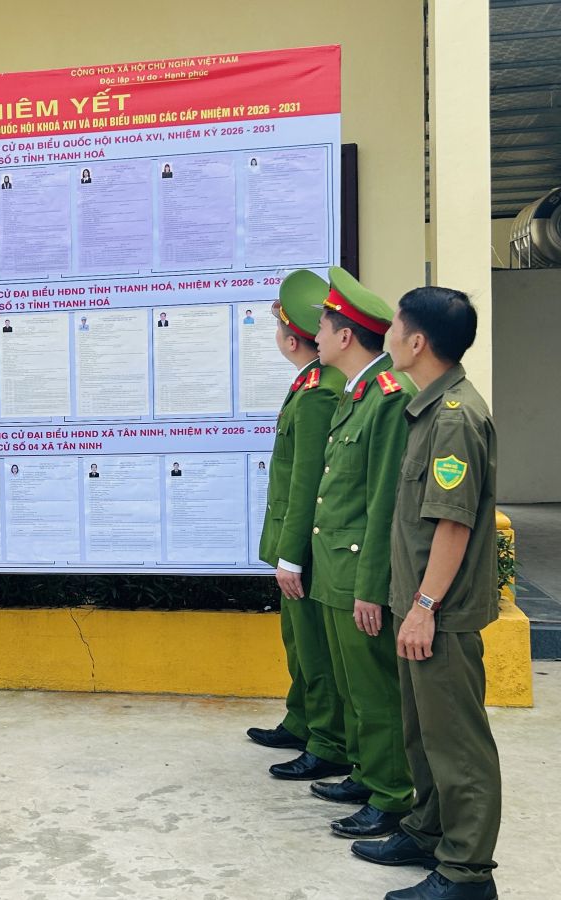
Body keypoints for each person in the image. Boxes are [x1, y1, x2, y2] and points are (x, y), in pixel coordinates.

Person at [352, 287, 501, 900]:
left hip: (441, 611)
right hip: (420, 606)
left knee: (457, 741)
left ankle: (467, 873)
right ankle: (428, 830)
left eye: (394, 327)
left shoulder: (454, 419)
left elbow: (452, 525)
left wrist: (424, 608)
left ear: (416, 342)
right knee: (424, 732)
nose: (387, 336)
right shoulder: (428, 409)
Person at [284, 266, 414, 841]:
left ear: (345, 335)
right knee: (352, 685)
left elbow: (384, 502)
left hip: (357, 570)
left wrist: (370, 586)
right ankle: (365, 772)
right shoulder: (358, 394)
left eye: (323, 327)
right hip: (335, 566)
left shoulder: (386, 398)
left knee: (374, 690)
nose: (314, 336)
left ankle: (391, 795)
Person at [245, 272, 350, 798]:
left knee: (314, 647)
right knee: (297, 640)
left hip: (305, 545)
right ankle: (302, 719)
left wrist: (292, 555)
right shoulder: (311, 383)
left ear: (291, 341)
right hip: (294, 540)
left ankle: (327, 743)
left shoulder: (319, 393)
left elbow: (308, 479)